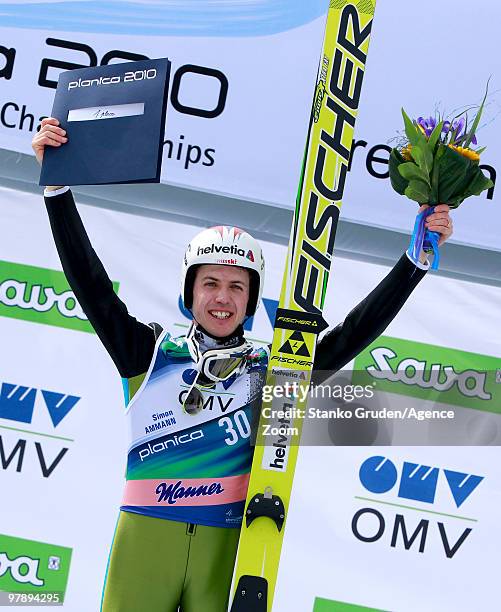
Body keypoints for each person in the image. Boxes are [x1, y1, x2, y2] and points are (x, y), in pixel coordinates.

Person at [32, 118, 453, 612]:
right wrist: (57, 190)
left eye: (237, 287)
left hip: (226, 546)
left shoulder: (269, 368)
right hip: (145, 538)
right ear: (190, 291)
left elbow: (347, 339)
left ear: (251, 300)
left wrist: (414, 263)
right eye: (211, 283)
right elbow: (91, 286)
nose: (222, 298)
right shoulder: (148, 351)